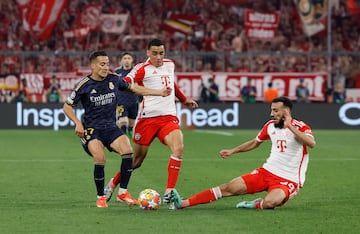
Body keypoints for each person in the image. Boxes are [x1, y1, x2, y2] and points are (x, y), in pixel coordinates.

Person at [63, 51, 171, 208]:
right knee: (100, 159)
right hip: (92, 129)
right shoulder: (84, 85)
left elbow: (134, 88)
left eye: (107, 64)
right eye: (102, 64)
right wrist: (77, 123)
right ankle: (101, 197)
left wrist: (159, 92)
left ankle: (123, 193)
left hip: (111, 127)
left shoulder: (114, 79)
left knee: (128, 151)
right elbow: (67, 106)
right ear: (93, 66)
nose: (106, 67)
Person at [170, 96, 316, 210]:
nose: (271, 114)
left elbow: (311, 144)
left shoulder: (301, 127)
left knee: (271, 202)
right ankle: (183, 203)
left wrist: (290, 127)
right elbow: (254, 143)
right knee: (229, 188)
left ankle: (257, 204)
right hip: (266, 172)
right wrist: (233, 151)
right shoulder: (270, 126)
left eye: (275, 110)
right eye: (271, 110)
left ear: (286, 111)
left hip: (288, 179)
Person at [104, 39, 198, 205]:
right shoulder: (141, 68)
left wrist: (183, 99)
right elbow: (128, 81)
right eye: (154, 53)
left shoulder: (170, 65)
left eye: (161, 53)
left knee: (179, 147)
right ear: (147, 52)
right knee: (136, 161)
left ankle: (169, 192)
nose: (159, 57)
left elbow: (172, 83)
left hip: (168, 118)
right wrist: (124, 82)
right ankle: (112, 184)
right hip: (147, 119)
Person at [114, 52, 139, 138]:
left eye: (129, 58)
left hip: (133, 101)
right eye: (125, 58)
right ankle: (123, 138)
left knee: (131, 124)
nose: (127, 60)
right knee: (123, 121)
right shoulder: (117, 72)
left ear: (132, 60)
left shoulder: (136, 72)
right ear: (121, 60)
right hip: (121, 102)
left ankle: (130, 130)